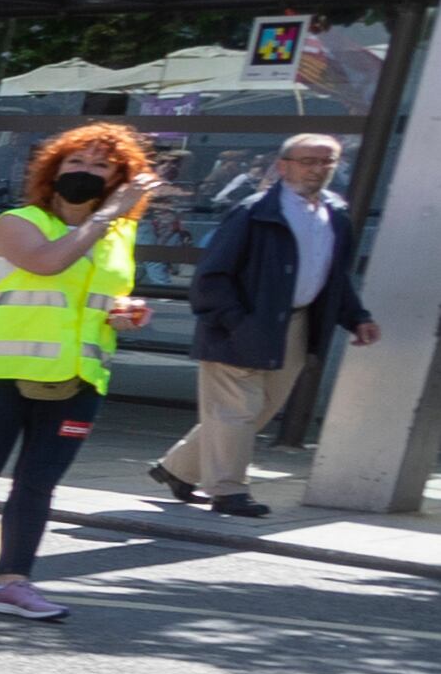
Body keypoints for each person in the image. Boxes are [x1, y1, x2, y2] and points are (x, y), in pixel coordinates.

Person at [0, 123, 160, 619]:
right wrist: (109, 213)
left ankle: (12, 581)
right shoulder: (17, 221)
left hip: (78, 377)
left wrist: (125, 311)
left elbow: (94, 297)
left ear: (119, 178)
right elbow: (47, 265)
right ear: (53, 171)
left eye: (101, 167)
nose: (86, 173)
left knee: (38, 480)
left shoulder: (117, 236)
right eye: (76, 163)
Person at [160, 132, 375, 518]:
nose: (318, 169)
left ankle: (178, 468)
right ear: (283, 165)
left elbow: (334, 276)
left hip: (296, 324)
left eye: (327, 161)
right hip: (240, 324)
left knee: (257, 412)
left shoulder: (335, 214)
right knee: (236, 412)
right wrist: (233, 322)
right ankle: (227, 491)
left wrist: (356, 317)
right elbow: (211, 276)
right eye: (308, 160)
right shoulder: (253, 211)